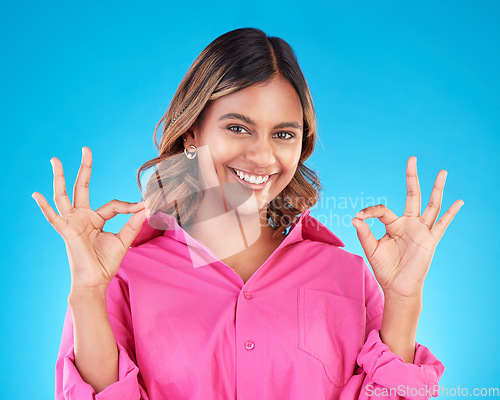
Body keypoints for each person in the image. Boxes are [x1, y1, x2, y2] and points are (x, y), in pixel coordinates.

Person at [32, 27, 463, 400]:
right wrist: (87, 293)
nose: (262, 155)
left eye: (283, 134)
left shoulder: (346, 277)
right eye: (237, 127)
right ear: (191, 134)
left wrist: (404, 301)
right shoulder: (124, 275)